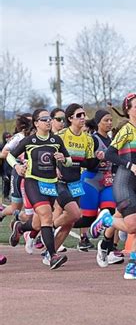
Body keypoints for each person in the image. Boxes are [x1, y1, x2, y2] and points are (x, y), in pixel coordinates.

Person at [7, 108, 72, 269]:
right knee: (47, 217)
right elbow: (9, 155)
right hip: (33, 181)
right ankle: (52, 255)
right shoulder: (29, 141)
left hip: (51, 183)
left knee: (38, 223)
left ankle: (20, 227)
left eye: (49, 118)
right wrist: (16, 166)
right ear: (36, 123)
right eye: (44, 119)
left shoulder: (56, 140)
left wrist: (63, 159)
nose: (48, 121)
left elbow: (69, 160)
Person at [104, 93, 136, 280]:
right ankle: (106, 220)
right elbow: (109, 153)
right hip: (124, 181)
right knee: (133, 226)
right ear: (128, 110)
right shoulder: (125, 130)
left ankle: (132, 267)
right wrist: (129, 165)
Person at [74, 110, 123, 267]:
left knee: (111, 214)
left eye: (111, 120)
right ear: (98, 123)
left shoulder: (112, 140)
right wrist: (97, 158)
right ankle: (62, 224)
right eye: (106, 120)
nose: (109, 123)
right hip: (90, 181)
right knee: (87, 219)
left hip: (107, 181)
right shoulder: (92, 140)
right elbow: (84, 162)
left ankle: (107, 251)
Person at [52, 104, 99, 254]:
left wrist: (97, 159)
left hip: (75, 182)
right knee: (75, 214)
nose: (83, 118)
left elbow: (90, 163)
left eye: (84, 115)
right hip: (60, 181)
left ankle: (50, 252)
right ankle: (46, 228)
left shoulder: (88, 139)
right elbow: (47, 154)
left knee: (70, 222)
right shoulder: (61, 135)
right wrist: (55, 166)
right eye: (79, 115)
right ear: (70, 118)